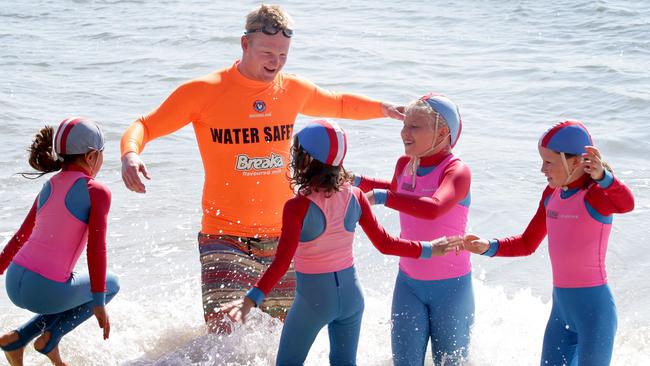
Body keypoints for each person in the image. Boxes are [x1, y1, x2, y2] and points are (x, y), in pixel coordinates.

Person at [119, 4, 405, 333]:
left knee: (278, 339)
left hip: (286, 236)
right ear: (245, 44)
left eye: (283, 55)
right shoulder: (205, 91)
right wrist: (130, 153)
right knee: (221, 338)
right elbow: (145, 125)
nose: (275, 62)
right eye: (267, 52)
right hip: (223, 234)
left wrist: (384, 109)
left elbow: (339, 102)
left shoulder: (292, 89)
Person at [220, 120, 461, 366]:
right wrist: (430, 248)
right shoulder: (355, 196)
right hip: (352, 298)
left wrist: (251, 299)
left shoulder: (297, 207)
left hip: (313, 302)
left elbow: (282, 262)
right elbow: (386, 244)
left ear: (305, 160)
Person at [463, 120, 634, 365]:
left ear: (575, 162)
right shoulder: (551, 194)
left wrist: (604, 177)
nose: (542, 169)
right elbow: (526, 243)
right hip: (561, 312)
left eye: (549, 162)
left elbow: (626, 204)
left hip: (595, 314)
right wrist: (488, 246)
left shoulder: (595, 195)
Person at [354, 94, 473, 365]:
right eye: (404, 125)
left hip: (452, 288)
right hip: (408, 284)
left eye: (414, 127)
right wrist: (356, 181)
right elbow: (401, 192)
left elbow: (433, 208)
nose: (404, 133)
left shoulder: (457, 171)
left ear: (443, 132)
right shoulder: (404, 164)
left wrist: (383, 197)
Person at [0, 117, 120, 366]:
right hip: (43, 292)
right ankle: (50, 337)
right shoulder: (96, 191)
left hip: (14, 281)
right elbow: (96, 248)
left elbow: (21, 236)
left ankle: (16, 340)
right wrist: (99, 302)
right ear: (90, 157)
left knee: (68, 281)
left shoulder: (49, 185)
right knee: (112, 284)